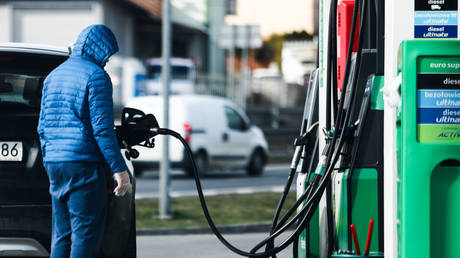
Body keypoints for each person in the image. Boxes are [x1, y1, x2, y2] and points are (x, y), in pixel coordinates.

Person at [37, 24, 131, 258]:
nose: (107, 60)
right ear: (99, 49)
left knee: (61, 234)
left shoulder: (53, 76)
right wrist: (120, 170)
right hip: (83, 165)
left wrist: (50, 158)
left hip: (55, 163)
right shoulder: (96, 76)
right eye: (107, 54)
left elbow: (42, 127)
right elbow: (102, 130)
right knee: (85, 236)